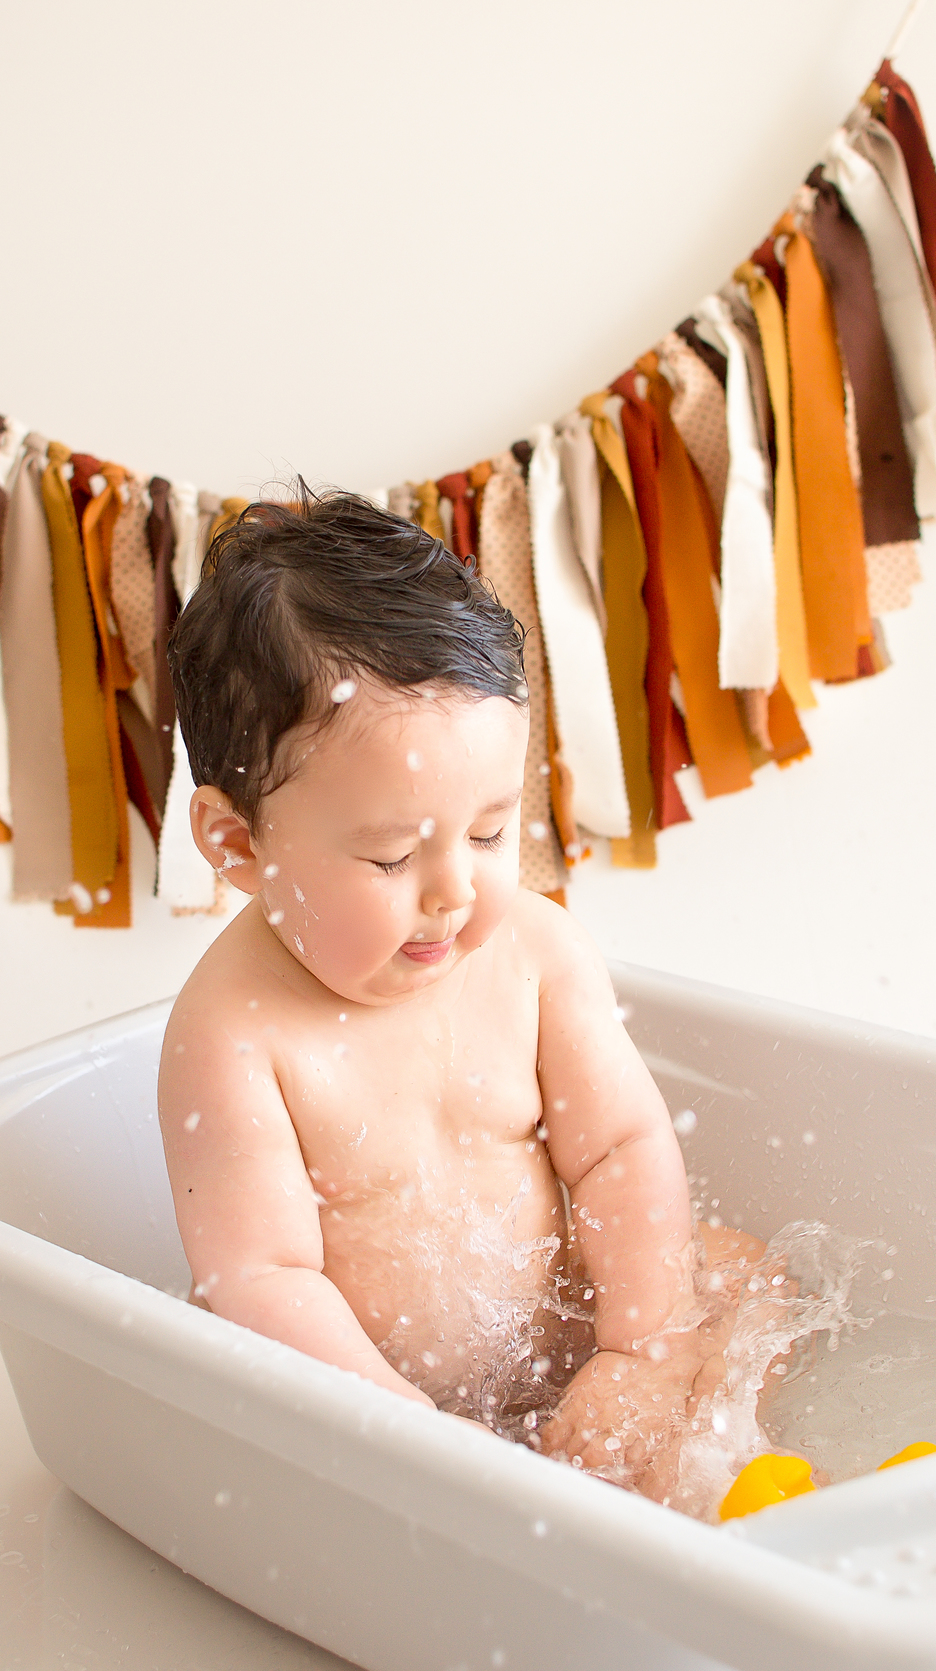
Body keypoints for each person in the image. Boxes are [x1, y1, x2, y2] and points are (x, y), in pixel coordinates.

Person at [159, 486, 762, 1502]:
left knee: (742, 1274)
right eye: (393, 854)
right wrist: (424, 1446)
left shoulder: (533, 952)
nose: (456, 891)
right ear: (236, 844)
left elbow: (619, 1149)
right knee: (250, 1393)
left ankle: (733, 1485)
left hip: (552, 1338)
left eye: (489, 832)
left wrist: (641, 1348)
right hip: (378, 1406)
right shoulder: (237, 1037)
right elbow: (262, 1282)